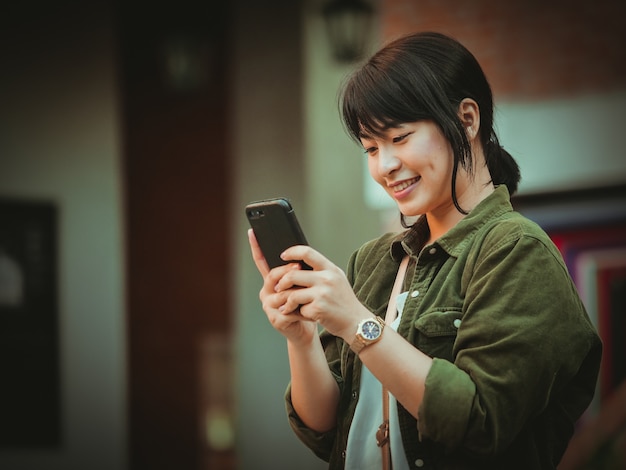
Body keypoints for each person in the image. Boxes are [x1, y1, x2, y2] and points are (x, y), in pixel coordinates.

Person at [247, 31, 602, 470]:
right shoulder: (373, 261)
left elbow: (479, 422)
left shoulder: (517, 250)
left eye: (400, 138)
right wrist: (300, 338)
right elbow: (324, 429)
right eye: (371, 148)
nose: (385, 166)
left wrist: (357, 322)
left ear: (467, 120)